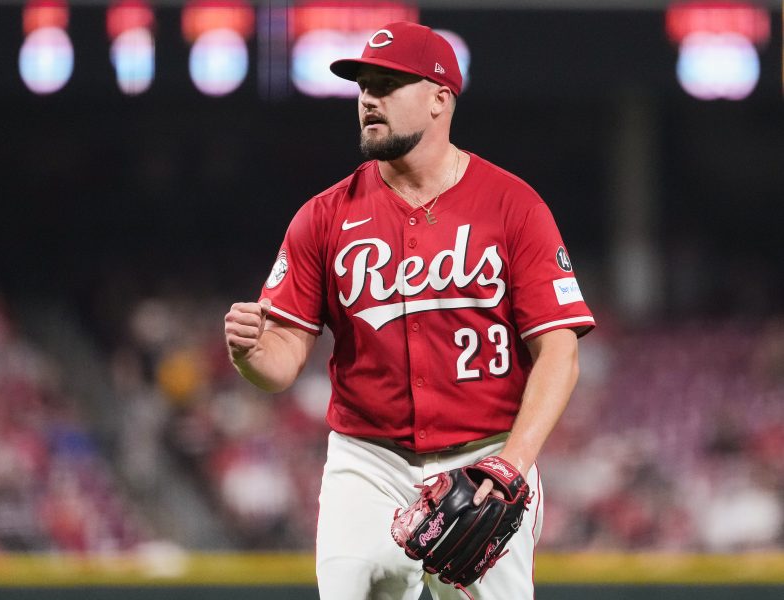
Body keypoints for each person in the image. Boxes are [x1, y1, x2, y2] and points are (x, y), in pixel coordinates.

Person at [224, 21, 595, 600]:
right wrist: (250, 354)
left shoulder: (513, 206)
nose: (368, 99)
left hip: (485, 456)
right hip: (367, 460)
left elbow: (559, 352)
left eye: (388, 85)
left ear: (439, 99)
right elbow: (281, 362)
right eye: (363, 86)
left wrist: (512, 464)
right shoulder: (323, 217)